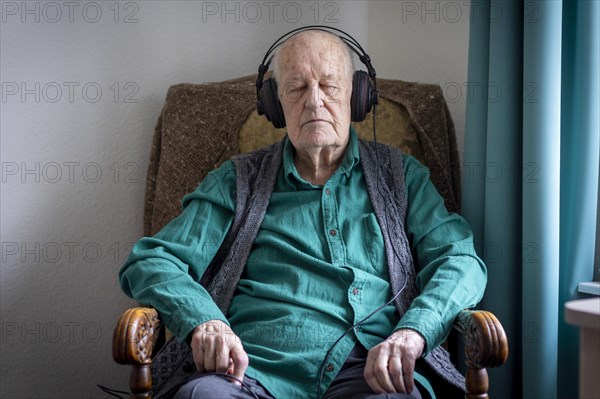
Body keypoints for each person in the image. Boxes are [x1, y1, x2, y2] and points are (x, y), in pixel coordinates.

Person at [119, 28, 487, 399]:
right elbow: (152, 260)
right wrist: (204, 320)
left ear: (356, 97)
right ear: (275, 105)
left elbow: (460, 261)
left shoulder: (402, 177)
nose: (314, 102)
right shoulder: (237, 181)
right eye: (296, 88)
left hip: (371, 373)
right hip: (251, 371)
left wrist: (413, 332)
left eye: (329, 86)